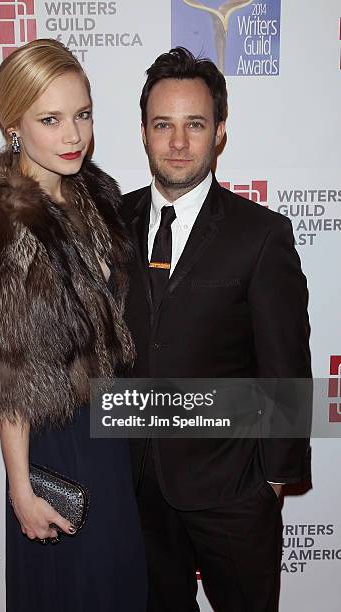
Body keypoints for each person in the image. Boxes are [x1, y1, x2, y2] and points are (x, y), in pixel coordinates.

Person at [0, 39, 147, 612]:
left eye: (82, 114)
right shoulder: (3, 223)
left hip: (109, 435)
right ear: (14, 124)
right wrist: (21, 487)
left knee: (118, 586)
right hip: (59, 442)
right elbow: (10, 378)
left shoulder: (90, 194)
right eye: (51, 119)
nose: (73, 135)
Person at [121, 47, 311, 612]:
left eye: (195, 125)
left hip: (233, 488)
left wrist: (272, 481)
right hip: (136, 487)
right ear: (144, 132)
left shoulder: (260, 234)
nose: (178, 143)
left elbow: (285, 362)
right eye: (164, 125)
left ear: (220, 132)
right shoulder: (108, 223)